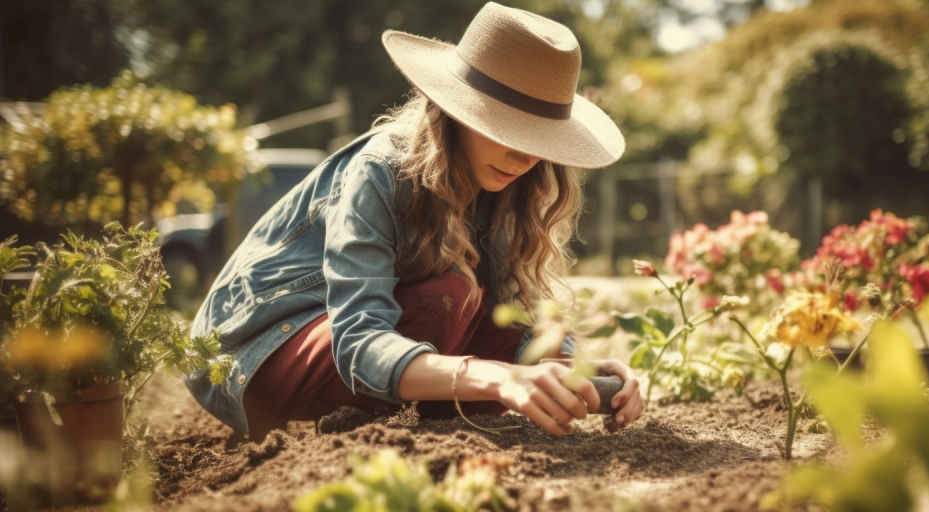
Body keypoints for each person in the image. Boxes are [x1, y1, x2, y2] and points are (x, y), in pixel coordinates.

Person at [185, 1, 644, 440]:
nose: (524, 157)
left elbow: (510, 320)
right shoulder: (382, 171)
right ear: (459, 110)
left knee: (501, 319)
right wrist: (500, 378)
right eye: (506, 128)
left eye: (539, 139)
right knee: (447, 295)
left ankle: (424, 409)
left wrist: (580, 369)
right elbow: (360, 340)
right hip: (250, 355)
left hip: (376, 342)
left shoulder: (509, 187)